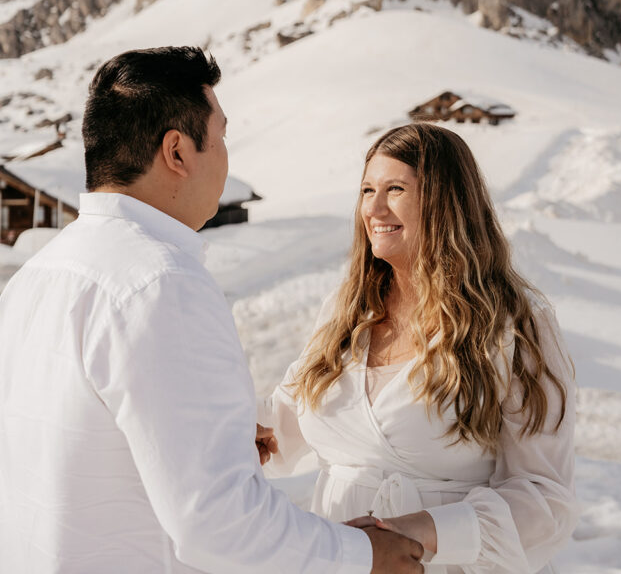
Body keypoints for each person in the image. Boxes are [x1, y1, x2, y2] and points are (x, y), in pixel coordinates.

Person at [0, 47, 423, 574]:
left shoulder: (36, 277)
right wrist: (362, 555)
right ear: (177, 152)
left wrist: (199, 430)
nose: (226, 156)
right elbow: (220, 524)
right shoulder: (161, 285)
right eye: (221, 137)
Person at [259, 123, 580, 573]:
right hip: (342, 558)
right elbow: (283, 422)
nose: (374, 207)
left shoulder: (512, 323)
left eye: (395, 188)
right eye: (367, 189)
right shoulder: (346, 309)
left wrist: (423, 530)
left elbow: (545, 499)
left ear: (446, 201)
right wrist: (243, 434)